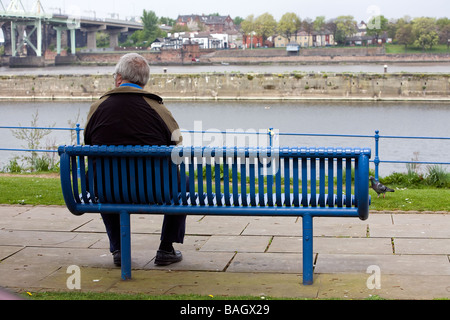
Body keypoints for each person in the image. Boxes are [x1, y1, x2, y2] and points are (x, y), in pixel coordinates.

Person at [84, 53, 186, 267]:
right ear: (144, 80)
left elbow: (88, 142)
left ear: (119, 78)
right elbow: (176, 142)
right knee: (181, 181)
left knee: (103, 175)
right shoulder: (158, 108)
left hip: (108, 189)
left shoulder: (98, 108)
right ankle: (166, 248)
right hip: (155, 190)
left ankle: (119, 249)